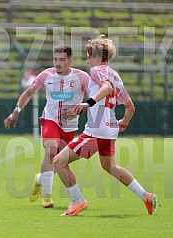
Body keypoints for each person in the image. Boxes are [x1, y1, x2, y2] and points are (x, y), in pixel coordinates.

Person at [52, 35, 158, 216]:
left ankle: (77, 201)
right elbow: (130, 107)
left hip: (96, 131)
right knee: (110, 167)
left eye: (88, 56)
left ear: (97, 57)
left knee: (58, 162)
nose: (87, 61)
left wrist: (88, 103)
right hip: (109, 130)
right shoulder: (115, 75)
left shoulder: (96, 71)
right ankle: (146, 196)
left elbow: (106, 88)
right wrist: (124, 121)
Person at [4, 44, 89, 208]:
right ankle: (47, 196)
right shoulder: (46, 75)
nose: (57, 63)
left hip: (70, 126)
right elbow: (29, 92)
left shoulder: (82, 77)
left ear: (70, 60)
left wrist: (79, 109)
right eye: (55, 59)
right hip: (50, 119)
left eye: (62, 60)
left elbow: (93, 99)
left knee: (58, 160)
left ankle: (40, 179)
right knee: (51, 150)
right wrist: (16, 111)